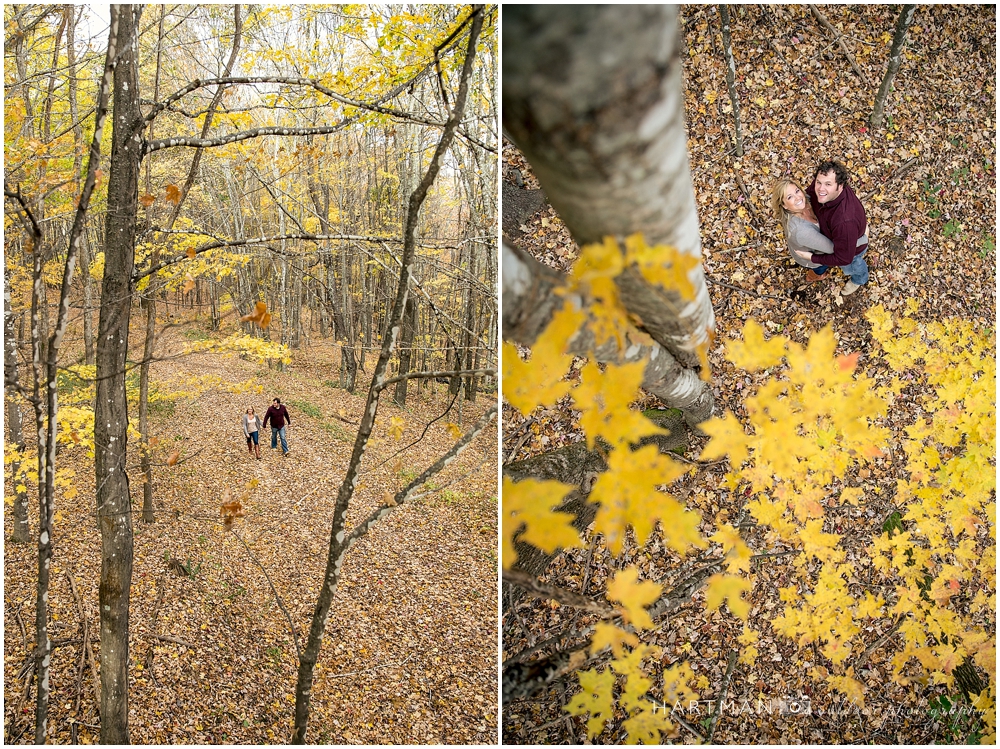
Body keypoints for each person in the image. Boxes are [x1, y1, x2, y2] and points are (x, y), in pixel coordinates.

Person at [791, 160, 870, 296]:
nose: (821, 189)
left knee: (853, 267)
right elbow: (810, 194)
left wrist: (813, 258)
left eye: (828, 184)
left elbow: (844, 258)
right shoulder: (821, 191)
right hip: (834, 236)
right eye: (819, 182)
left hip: (852, 250)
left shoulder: (844, 221)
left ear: (840, 186)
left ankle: (860, 279)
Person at [770, 177, 836, 283]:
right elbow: (833, 249)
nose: (797, 198)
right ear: (784, 205)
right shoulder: (801, 231)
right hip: (813, 259)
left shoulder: (807, 200)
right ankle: (814, 276)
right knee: (820, 268)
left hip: (810, 244)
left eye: (797, 191)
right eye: (790, 197)